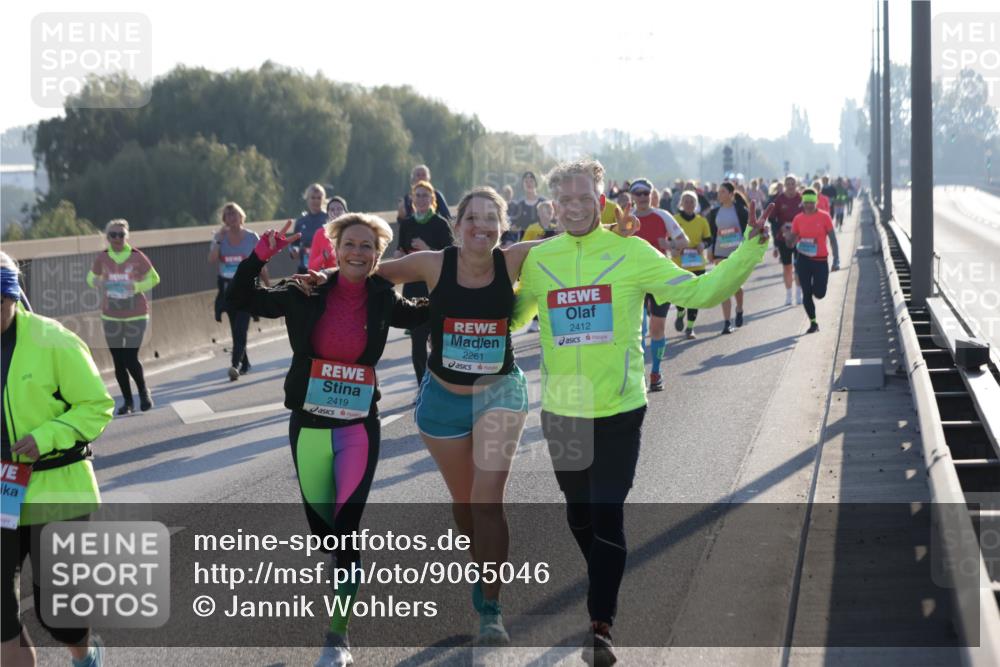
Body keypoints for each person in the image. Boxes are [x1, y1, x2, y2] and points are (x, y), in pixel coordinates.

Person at [511, 159, 771, 667]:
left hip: (619, 410)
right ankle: (606, 571)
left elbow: (698, 291)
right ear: (552, 205)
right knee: (579, 516)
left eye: (585, 198)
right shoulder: (541, 261)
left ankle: (599, 624)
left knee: (607, 514)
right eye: (564, 200)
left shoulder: (632, 252)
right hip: (561, 412)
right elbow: (510, 317)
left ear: (601, 198)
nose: (574, 207)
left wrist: (749, 248)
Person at [226, 215, 429, 667]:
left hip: (358, 425)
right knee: (324, 532)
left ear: (378, 255)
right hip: (310, 424)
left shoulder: (381, 297)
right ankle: (341, 575)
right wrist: (260, 255)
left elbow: (426, 314)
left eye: (367, 246)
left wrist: (469, 278)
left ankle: (338, 636)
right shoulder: (307, 290)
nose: (358, 252)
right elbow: (239, 298)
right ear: (335, 248)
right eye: (350, 244)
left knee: (346, 529)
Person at [2, 250, 114, 667]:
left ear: (15, 296)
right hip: (3, 490)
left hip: (56, 482)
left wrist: (46, 436)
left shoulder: (54, 340)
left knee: (58, 612)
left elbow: (96, 406)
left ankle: (84, 655)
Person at [87, 219, 160, 414]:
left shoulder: (136, 256)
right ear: (107, 237)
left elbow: (154, 278)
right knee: (118, 361)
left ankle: (144, 393)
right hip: (111, 316)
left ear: (127, 236)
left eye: (121, 235)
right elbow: (90, 277)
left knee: (129, 356)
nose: (117, 238)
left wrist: (136, 286)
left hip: (136, 314)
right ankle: (127, 402)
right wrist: (98, 283)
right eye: (113, 235)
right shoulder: (103, 258)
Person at [629, 178, 689, 391]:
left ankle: (655, 371)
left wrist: (670, 244)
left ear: (651, 194)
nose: (643, 197)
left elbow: (684, 241)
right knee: (638, 329)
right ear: (632, 196)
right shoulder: (627, 220)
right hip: (634, 281)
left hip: (659, 278)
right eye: (638, 193)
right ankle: (638, 375)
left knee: (657, 327)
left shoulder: (662, 215)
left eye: (646, 193)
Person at [396, 180, 454, 387]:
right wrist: (398, 256)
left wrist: (426, 248)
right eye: (417, 195)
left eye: (424, 195)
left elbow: (451, 257)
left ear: (432, 199)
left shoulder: (440, 224)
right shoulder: (407, 224)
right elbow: (401, 250)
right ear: (412, 199)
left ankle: (443, 382)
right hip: (413, 286)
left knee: (438, 337)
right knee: (417, 339)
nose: (420, 199)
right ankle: (422, 385)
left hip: (435, 286)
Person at [209, 202, 267, 381]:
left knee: (241, 329)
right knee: (236, 330)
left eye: (234, 214)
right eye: (228, 215)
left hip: (248, 289)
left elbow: (261, 263)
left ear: (242, 216)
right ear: (224, 219)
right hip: (228, 290)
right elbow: (212, 260)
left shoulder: (251, 238)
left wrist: (267, 284)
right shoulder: (220, 238)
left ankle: (234, 365)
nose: (232, 218)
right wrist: (218, 240)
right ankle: (246, 363)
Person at [787, 188, 840, 333]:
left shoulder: (825, 217)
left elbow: (833, 239)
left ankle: (814, 310)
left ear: (816, 202)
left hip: (820, 260)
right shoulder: (798, 219)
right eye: (806, 203)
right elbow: (791, 240)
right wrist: (788, 238)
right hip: (803, 260)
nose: (809, 205)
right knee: (806, 292)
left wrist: (836, 260)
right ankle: (813, 322)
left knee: (820, 293)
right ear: (802, 203)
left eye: (811, 202)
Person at [707, 182, 752, 334]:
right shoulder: (714, 212)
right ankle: (726, 322)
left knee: (736, 286)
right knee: (724, 286)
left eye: (723, 192)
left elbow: (749, 231)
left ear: (731, 194)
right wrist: (710, 250)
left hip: (737, 253)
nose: (719, 195)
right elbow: (711, 234)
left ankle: (739, 309)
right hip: (720, 253)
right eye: (719, 192)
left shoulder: (740, 210)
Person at [669, 191, 713, 339]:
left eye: (692, 201)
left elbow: (709, 239)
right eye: (686, 201)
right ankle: (680, 312)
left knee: (695, 296)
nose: (689, 204)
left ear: (696, 204)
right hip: (679, 264)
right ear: (681, 203)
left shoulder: (702, 221)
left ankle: (690, 327)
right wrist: (673, 249)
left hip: (697, 263)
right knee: (681, 295)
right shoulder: (674, 219)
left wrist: (703, 244)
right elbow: (668, 239)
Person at [770, 174, 803, 306]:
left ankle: (798, 294)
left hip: (799, 237)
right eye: (788, 184)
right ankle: (789, 295)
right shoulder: (779, 199)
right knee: (787, 267)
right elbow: (772, 219)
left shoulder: (801, 198)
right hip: (784, 237)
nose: (790, 186)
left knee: (799, 267)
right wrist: (782, 228)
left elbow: (808, 215)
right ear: (784, 186)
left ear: (796, 185)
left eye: (792, 184)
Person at [291, 184, 330, 275]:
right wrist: (294, 251)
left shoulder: (328, 219)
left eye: (319, 198)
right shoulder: (301, 221)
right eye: (313, 198)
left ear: (323, 199)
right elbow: (295, 244)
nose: (316, 201)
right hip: (304, 267)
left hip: (324, 268)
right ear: (307, 199)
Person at [308, 196, 348, 272]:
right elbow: (311, 268)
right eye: (332, 210)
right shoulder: (320, 233)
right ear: (328, 213)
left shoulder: (353, 232)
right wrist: (323, 256)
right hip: (329, 279)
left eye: (339, 209)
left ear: (345, 212)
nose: (336, 212)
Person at [507, 171, 548, 243]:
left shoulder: (544, 203)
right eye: (526, 181)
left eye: (531, 181)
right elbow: (513, 226)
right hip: (524, 245)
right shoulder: (519, 205)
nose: (529, 183)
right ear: (522, 185)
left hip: (543, 243)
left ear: (536, 183)